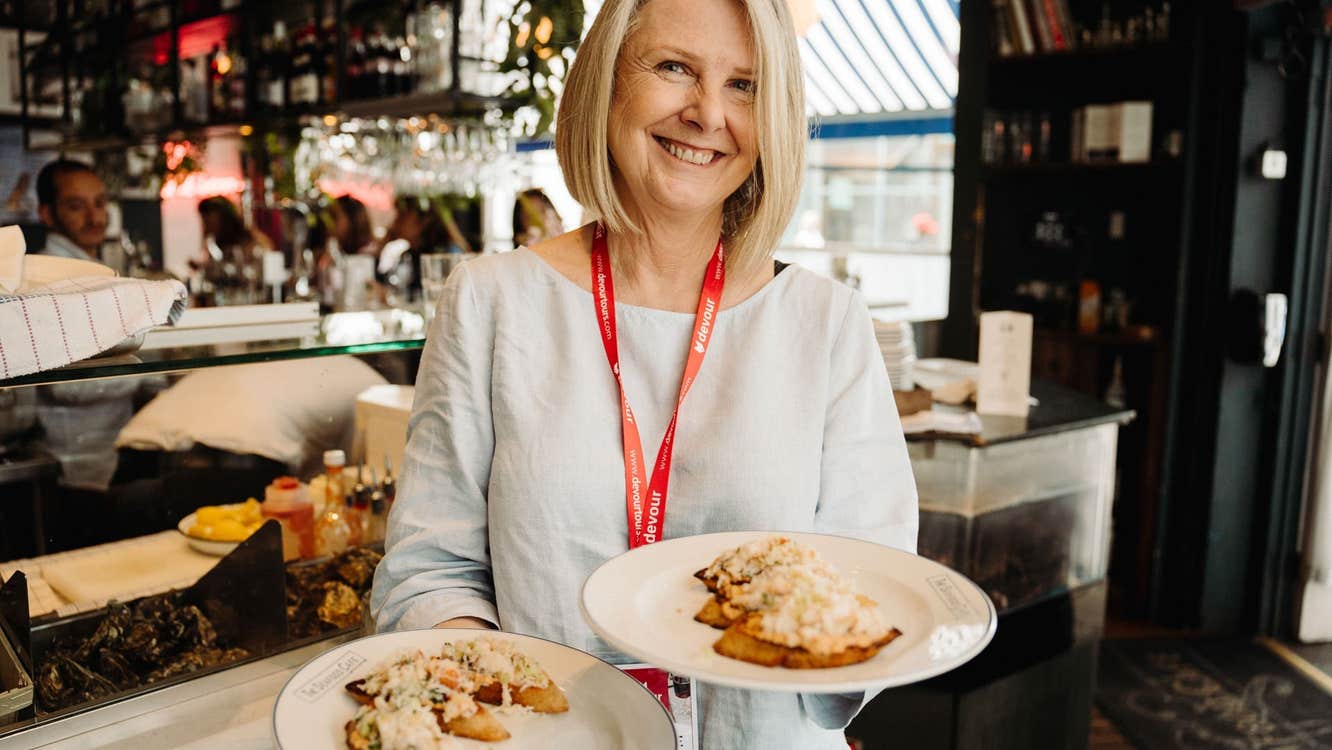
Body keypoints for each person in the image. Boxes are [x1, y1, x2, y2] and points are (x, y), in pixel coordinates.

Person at [371, 1, 917, 748]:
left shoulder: (826, 322)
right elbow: (430, 571)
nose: (707, 113)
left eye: (744, 85)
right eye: (674, 68)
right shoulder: (490, 301)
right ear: (607, 84)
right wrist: (495, 701)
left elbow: (876, 582)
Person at [36, 158, 109, 261]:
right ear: (46, 214)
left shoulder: (90, 264)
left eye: (99, 204)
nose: (94, 219)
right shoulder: (48, 268)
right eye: (76, 207)